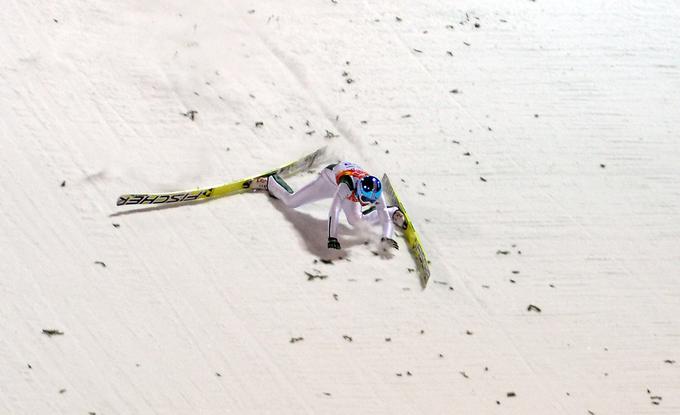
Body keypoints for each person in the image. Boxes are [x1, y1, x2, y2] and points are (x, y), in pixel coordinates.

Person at [249, 161, 405, 250]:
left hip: (350, 188)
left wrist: (387, 237)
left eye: (370, 201)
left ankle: (394, 212)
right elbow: (334, 210)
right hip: (329, 182)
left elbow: (383, 215)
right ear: (359, 189)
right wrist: (332, 237)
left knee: (357, 222)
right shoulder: (347, 185)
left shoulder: (375, 193)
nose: (365, 202)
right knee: (292, 202)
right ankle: (270, 182)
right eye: (364, 199)